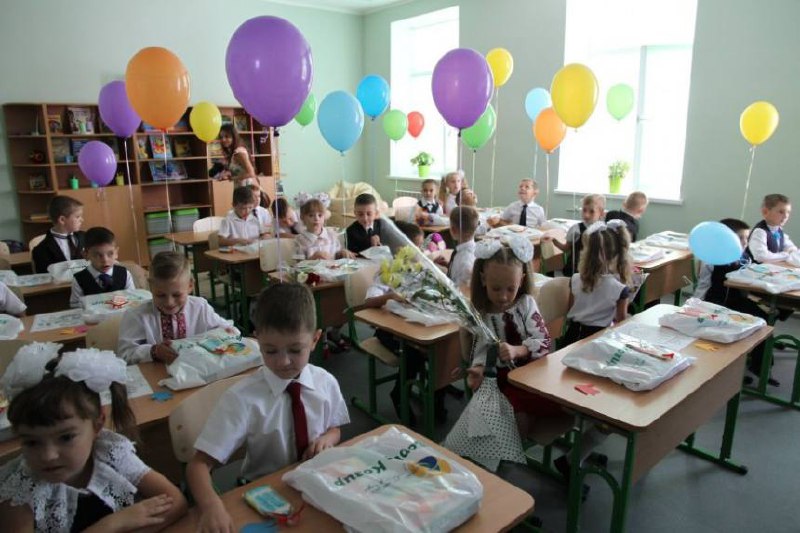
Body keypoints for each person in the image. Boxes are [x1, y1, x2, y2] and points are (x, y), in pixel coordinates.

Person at [186, 283, 349, 532]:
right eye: (270, 351)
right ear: (257, 340)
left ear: (315, 339)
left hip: (316, 482)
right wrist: (211, 507)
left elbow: (335, 428)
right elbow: (198, 465)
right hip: (264, 492)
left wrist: (328, 439)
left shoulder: (325, 382)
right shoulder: (242, 398)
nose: (283, 362)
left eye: (295, 350)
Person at [0, 349, 186, 531]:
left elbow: (176, 502)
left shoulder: (110, 453)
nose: (48, 456)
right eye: (32, 442)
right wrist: (111, 525)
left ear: (97, 425)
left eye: (65, 437)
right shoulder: (19, 490)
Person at [465, 238, 558, 437]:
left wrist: (519, 350)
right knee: (516, 413)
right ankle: (512, 446)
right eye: (496, 288)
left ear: (521, 281)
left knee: (556, 400)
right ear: (483, 280)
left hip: (531, 373)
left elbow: (544, 340)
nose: (503, 297)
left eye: (510, 289)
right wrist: (479, 369)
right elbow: (481, 350)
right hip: (502, 379)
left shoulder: (526, 304)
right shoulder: (482, 315)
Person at [363, 221, 445, 425]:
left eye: (420, 246)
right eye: (415, 246)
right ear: (400, 249)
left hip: (417, 327)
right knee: (414, 353)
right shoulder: (387, 272)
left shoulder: (420, 268)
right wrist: (391, 296)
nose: (420, 251)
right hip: (390, 332)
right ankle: (399, 393)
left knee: (442, 347)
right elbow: (369, 301)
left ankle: (437, 395)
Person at [696, 218, 777, 385]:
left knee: (762, 320)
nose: (745, 242)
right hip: (715, 305)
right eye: (740, 238)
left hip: (737, 303)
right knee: (735, 329)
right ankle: (730, 372)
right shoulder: (712, 259)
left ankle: (759, 366)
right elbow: (703, 286)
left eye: (746, 238)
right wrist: (695, 306)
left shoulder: (745, 256)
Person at [117, 252, 232, 364]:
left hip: (198, 369)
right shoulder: (136, 316)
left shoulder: (200, 307)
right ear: (151, 286)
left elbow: (227, 330)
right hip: (156, 373)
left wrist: (227, 333)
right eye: (161, 295)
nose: (169, 302)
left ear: (190, 285)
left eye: (177, 295)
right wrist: (153, 351)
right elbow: (124, 354)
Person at [564, 220, 632, 345]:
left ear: (586, 252)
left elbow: (570, 310)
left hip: (571, 338)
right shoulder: (620, 289)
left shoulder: (574, 279)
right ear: (616, 254)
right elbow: (620, 324)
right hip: (598, 341)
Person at [70, 227, 135, 308]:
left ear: (116, 253)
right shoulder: (79, 279)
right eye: (98, 255)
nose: (105, 260)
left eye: (110, 254)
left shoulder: (124, 274)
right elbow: (75, 306)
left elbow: (133, 299)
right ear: (86, 255)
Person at [545, 194, 606, 276]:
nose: (586, 215)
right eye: (584, 210)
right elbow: (566, 248)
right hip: (575, 270)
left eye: (592, 211)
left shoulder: (605, 230)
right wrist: (553, 240)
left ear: (601, 213)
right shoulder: (576, 229)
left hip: (591, 271)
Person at [32, 195, 85, 273]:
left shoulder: (86, 237)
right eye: (77, 217)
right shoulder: (41, 250)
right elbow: (44, 277)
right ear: (62, 220)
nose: (82, 220)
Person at [745, 193, 796, 263]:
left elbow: (790, 247)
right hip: (755, 268)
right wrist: (786, 255)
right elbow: (761, 256)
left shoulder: (779, 230)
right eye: (781, 212)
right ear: (765, 212)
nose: (786, 216)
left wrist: (791, 250)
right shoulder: (760, 232)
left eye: (788, 212)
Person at [446, 206, 480, 293]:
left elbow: (458, 292)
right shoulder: (474, 250)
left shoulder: (465, 262)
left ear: (453, 230)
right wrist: (449, 266)